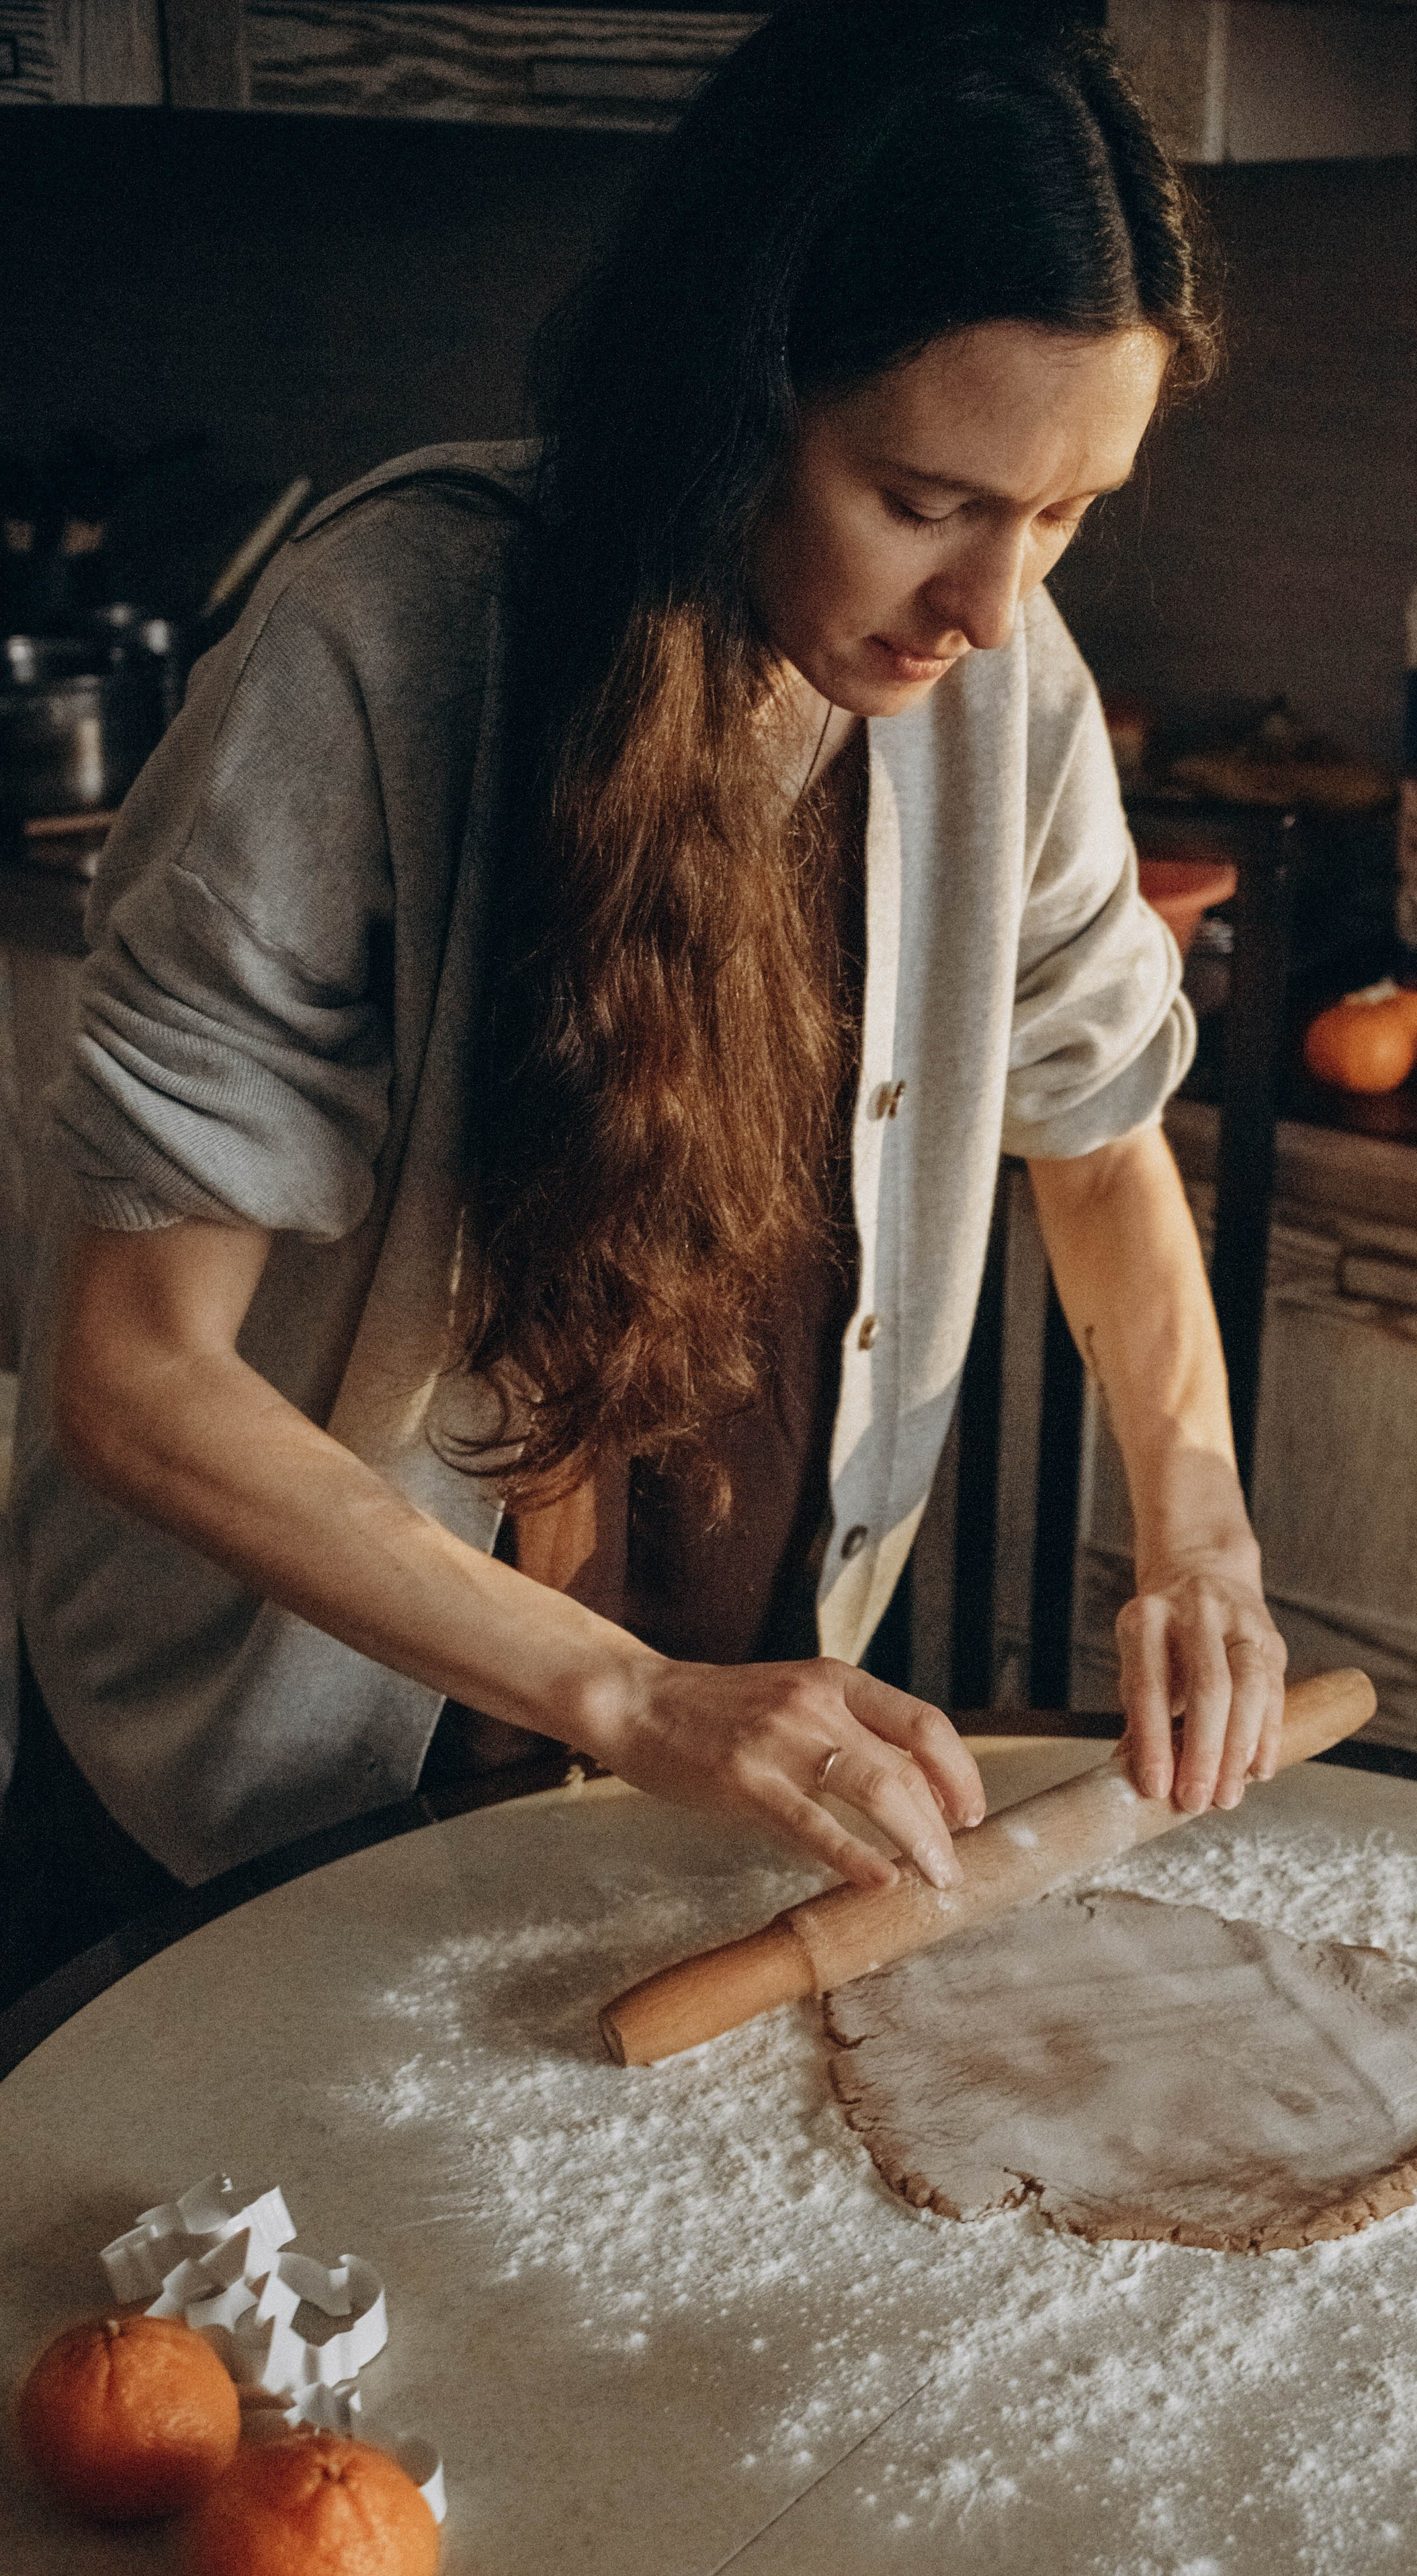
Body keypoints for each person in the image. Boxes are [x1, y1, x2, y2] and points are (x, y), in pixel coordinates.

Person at [1, 0, 1287, 2006]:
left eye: (1066, 511)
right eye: (929, 498)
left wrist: (1197, 1522)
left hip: (688, 1770)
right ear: (738, 392)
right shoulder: (375, 654)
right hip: (254, 1785)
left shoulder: (1005, 695)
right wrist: (627, 1692)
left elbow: (1103, 1144)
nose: (995, 607)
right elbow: (133, 1373)